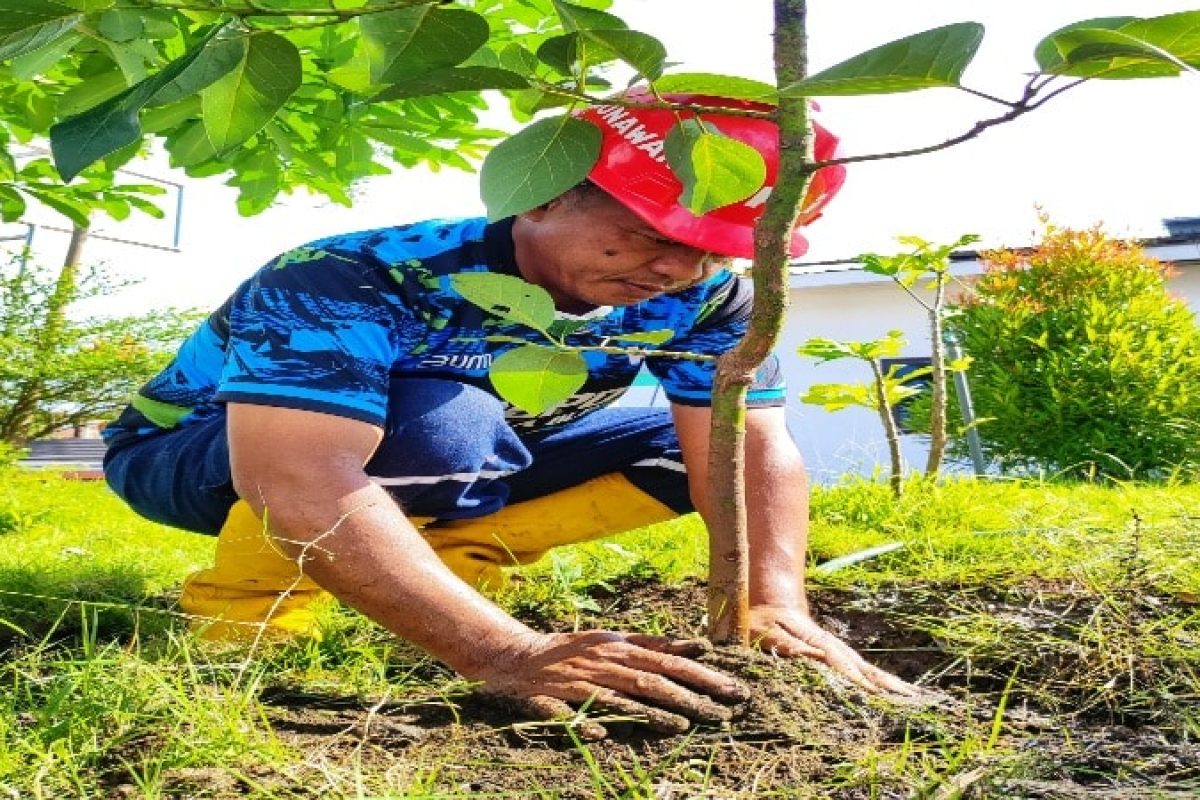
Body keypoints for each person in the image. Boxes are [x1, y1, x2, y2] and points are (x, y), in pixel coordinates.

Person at [102, 88, 919, 732]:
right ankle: (247, 613)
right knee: (440, 425)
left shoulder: (710, 297)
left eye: (716, 245)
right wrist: (507, 652)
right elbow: (297, 471)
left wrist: (770, 600)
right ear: (547, 192)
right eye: (652, 231)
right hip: (201, 459)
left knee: (676, 449)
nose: (679, 265)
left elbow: (745, 447)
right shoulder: (350, 276)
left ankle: (445, 569)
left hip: (478, 446)